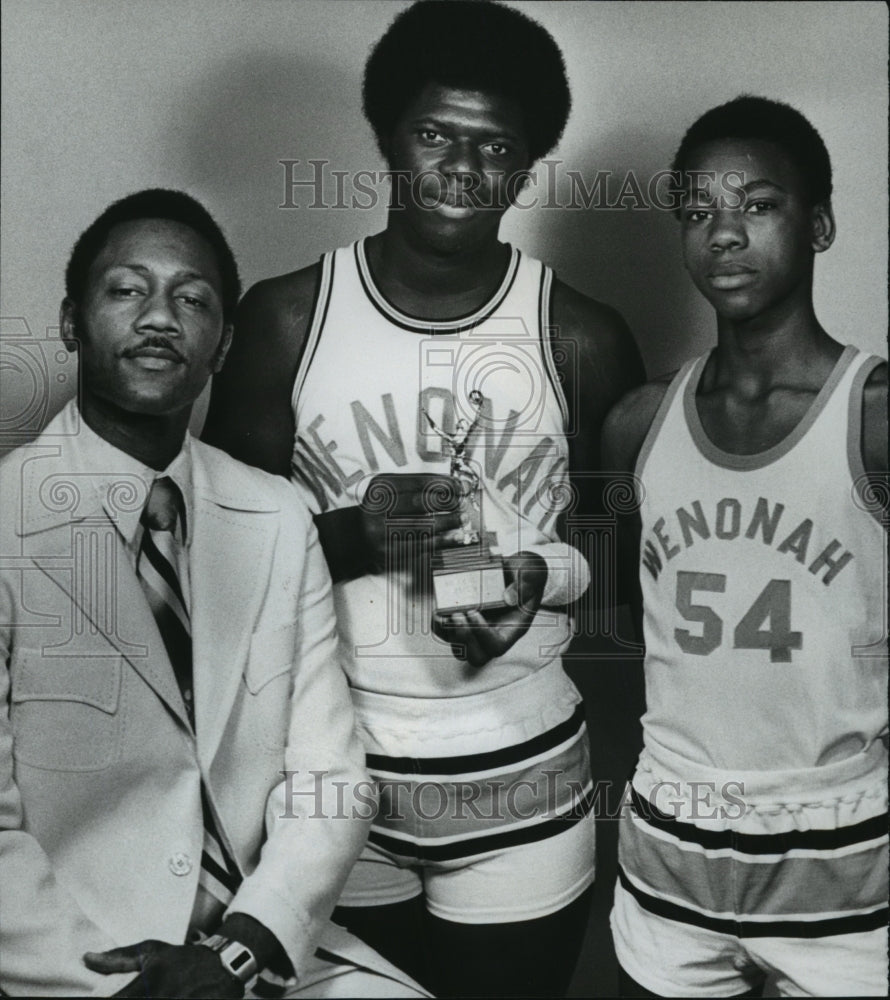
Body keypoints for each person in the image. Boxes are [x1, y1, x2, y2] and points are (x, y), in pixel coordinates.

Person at [202, 2, 644, 994]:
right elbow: (210, 571)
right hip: (328, 778)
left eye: (494, 146)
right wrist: (352, 533)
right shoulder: (284, 320)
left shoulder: (581, 336)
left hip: (518, 782)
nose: (459, 166)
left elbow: (620, 577)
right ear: (387, 138)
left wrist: (536, 579)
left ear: (527, 167)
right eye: (435, 133)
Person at [0, 189, 426, 998]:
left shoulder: (275, 514)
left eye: (192, 299)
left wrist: (240, 949)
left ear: (223, 345)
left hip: (252, 945)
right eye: (127, 290)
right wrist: (115, 985)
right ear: (69, 323)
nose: (160, 317)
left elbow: (329, 777)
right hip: (77, 962)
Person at [602, 96, 888, 997]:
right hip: (669, 859)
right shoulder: (637, 423)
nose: (724, 235)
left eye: (758, 205)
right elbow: (612, 633)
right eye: (698, 213)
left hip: (840, 863)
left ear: (821, 223)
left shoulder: (873, 420)